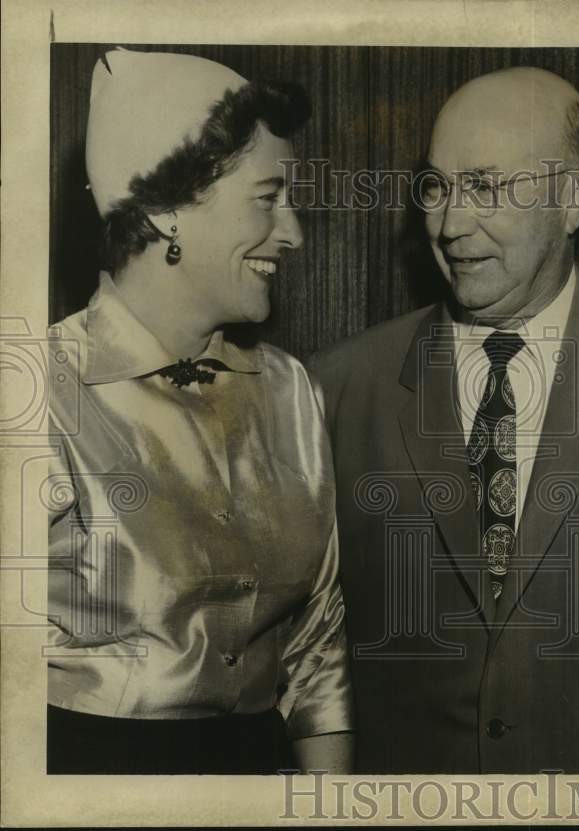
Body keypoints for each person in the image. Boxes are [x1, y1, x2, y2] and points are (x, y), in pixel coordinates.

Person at [309, 67, 579, 773]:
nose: (449, 226)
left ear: (575, 199)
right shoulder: (334, 386)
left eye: (485, 186)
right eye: (436, 187)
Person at [47, 48, 353, 775]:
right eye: (266, 198)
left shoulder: (289, 391)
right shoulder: (32, 391)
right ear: (164, 209)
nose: (294, 233)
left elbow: (317, 646)